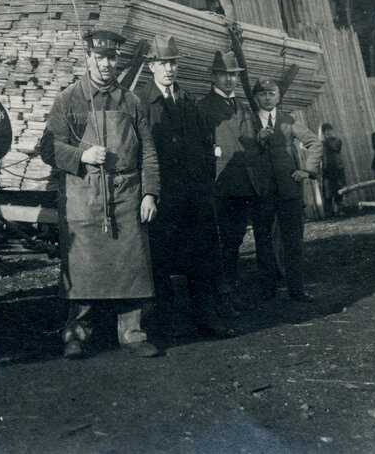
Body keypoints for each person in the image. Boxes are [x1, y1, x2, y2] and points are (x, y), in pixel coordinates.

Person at [40, 28, 161, 359]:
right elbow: (48, 148)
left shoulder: (132, 101)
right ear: (88, 58)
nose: (106, 64)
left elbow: (148, 151)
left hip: (127, 195)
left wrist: (150, 193)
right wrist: (81, 155)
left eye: (111, 58)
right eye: (99, 57)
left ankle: (133, 334)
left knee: (131, 264)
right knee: (84, 268)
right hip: (85, 197)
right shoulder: (68, 99)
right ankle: (76, 334)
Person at [134, 35, 234, 339]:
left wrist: (204, 186)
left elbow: (206, 146)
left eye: (173, 63)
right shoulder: (139, 103)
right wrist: (149, 192)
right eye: (163, 63)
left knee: (201, 260)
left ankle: (205, 318)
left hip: (194, 196)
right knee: (161, 262)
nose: (169, 69)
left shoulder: (189, 101)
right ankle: (165, 324)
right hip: (162, 197)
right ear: (151, 66)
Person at [197, 50, 264, 312]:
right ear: (213, 76)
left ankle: (229, 291)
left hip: (243, 185)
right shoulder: (203, 107)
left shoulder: (243, 107)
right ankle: (220, 298)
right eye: (224, 74)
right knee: (220, 243)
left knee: (235, 241)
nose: (229, 80)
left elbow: (249, 142)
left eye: (233, 75)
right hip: (220, 186)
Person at [252, 78, 323, 303]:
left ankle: (296, 290)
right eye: (262, 93)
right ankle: (267, 290)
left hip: (288, 191)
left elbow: (315, 143)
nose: (267, 97)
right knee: (263, 242)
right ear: (256, 98)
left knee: (292, 242)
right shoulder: (249, 120)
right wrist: (256, 139)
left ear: (279, 96)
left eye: (272, 93)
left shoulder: (289, 120)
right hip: (261, 192)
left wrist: (307, 171)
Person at [320, 123, 346, 218]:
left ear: (333, 131)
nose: (328, 132)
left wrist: (325, 140)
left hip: (337, 168)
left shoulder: (337, 141)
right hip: (327, 169)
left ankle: (340, 210)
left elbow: (335, 148)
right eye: (325, 131)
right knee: (327, 192)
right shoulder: (322, 143)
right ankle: (329, 212)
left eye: (329, 130)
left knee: (339, 190)